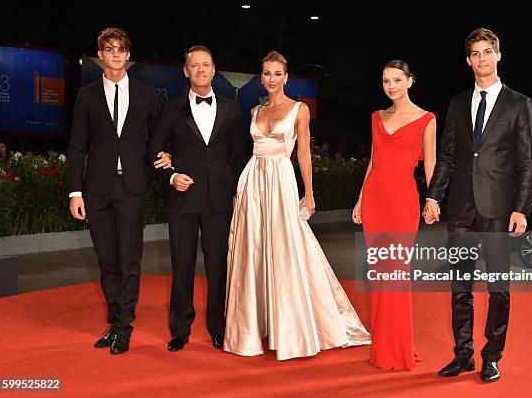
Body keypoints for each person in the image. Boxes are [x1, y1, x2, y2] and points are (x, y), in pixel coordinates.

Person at [224, 51, 370, 360]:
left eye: (278, 74)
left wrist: (309, 193)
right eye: (267, 73)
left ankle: (291, 326)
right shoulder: (253, 110)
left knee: (287, 247)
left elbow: (303, 153)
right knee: (255, 248)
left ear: (286, 77)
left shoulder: (299, 110)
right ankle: (255, 323)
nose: (272, 79)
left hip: (281, 179)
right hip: (253, 181)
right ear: (261, 77)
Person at [423, 28, 532, 382]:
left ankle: (492, 356)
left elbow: (527, 161)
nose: (481, 59)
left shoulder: (519, 103)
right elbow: (448, 155)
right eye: (475, 53)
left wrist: (521, 207)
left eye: (487, 52)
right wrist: (433, 195)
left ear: (498, 55)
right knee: (460, 285)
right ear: (468, 59)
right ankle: (463, 354)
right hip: (460, 208)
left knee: (498, 286)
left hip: (499, 208)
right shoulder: (457, 102)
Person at [67, 27, 169, 354]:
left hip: (132, 187)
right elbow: (77, 147)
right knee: (107, 259)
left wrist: (167, 157)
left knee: (130, 259)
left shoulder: (145, 94)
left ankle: (123, 326)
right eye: (108, 49)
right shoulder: (87, 96)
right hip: (97, 190)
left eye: (120, 49)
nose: (114, 54)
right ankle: (115, 317)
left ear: (128, 54)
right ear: (100, 56)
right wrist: (75, 192)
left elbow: (160, 137)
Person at [148, 45, 247, 352]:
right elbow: (154, 151)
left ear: (214, 70)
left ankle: (219, 328)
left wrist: (233, 191)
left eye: (206, 65)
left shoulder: (231, 108)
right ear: (185, 71)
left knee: (218, 267)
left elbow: (239, 156)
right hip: (182, 199)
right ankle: (180, 329)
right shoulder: (172, 108)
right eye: (195, 65)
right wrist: (171, 176)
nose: (201, 70)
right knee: (182, 265)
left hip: (219, 201)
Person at [352, 60, 437, 370]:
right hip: (375, 200)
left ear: (410, 81)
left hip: (403, 203)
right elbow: (373, 163)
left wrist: (434, 199)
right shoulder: (377, 117)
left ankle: (396, 348)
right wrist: (360, 200)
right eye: (386, 80)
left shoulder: (427, 120)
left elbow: (431, 166)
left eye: (397, 79)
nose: (391, 86)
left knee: (396, 273)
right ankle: (383, 346)